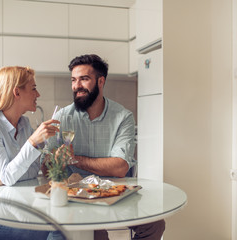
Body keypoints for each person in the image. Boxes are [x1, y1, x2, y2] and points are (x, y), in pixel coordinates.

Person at [44, 54, 165, 240]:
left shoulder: (123, 117)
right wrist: (55, 161)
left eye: (84, 79)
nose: (77, 86)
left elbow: (119, 168)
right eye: (73, 80)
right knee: (95, 235)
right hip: (77, 196)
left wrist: (75, 159)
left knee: (154, 225)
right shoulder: (61, 117)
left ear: (101, 81)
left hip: (113, 191)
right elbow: (47, 168)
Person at [0, 66, 64, 240]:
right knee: (57, 231)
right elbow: (11, 174)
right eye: (33, 88)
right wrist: (33, 142)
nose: (38, 94)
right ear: (16, 92)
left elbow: (32, 171)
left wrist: (2, 178)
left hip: (14, 211)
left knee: (61, 225)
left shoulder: (24, 123)